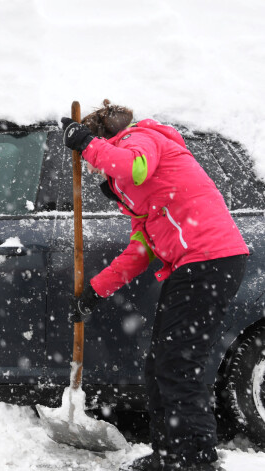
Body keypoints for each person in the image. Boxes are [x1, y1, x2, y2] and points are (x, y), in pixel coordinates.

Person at [62, 100, 248, 471]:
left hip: (209, 261)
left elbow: (134, 165)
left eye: (100, 150)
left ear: (109, 137)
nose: (95, 165)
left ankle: (193, 458)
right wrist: (93, 294)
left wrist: (86, 144)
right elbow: (139, 251)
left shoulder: (141, 137)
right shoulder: (144, 196)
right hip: (196, 265)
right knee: (160, 365)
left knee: (178, 364)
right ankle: (172, 453)